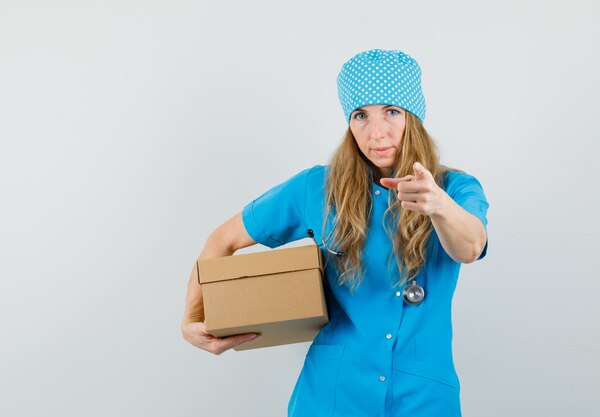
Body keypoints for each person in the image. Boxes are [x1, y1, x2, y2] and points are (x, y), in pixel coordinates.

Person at [182, 49, 489, 417]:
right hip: (331, 394)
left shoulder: (455, 189)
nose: (376, 132)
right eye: (361, 116)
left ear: (414, 117)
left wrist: (438, 205)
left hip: (423, 396)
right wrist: (192, 317)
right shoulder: (318, 187)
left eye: (392, 112)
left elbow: (470, 246)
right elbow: (223, 240)